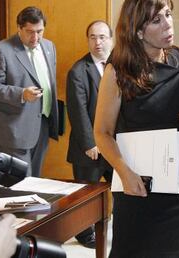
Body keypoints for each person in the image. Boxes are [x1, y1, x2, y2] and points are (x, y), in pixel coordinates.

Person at [94, 0, 179, 257]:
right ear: (138, 31)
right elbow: (102, 132)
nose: (168, 24)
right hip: (138, 184)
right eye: (156, 20)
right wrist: (124, 171)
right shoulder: (118, 71)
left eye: (168, 14)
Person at [0, 6, 58, 177]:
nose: (35, 37)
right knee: (20, 186)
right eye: (30, 32)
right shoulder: (1, 50)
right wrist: (21, 94)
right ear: (19, 28)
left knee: (35, 180)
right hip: (14, 128)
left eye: (40, 31)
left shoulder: (49, 47)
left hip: (42, 124)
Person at [66, 20, 114, 248]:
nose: (98, 42)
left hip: (114, 145)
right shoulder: (78, 70)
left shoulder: (119, 66)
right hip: (90, 148)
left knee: (120, 191)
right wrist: (89, 144)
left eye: (102, 37)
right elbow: (77, 111)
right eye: (93, 37)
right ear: (88, 40)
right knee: (86, 195)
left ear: (111, 39)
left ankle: (118, 226)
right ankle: (84, 235)